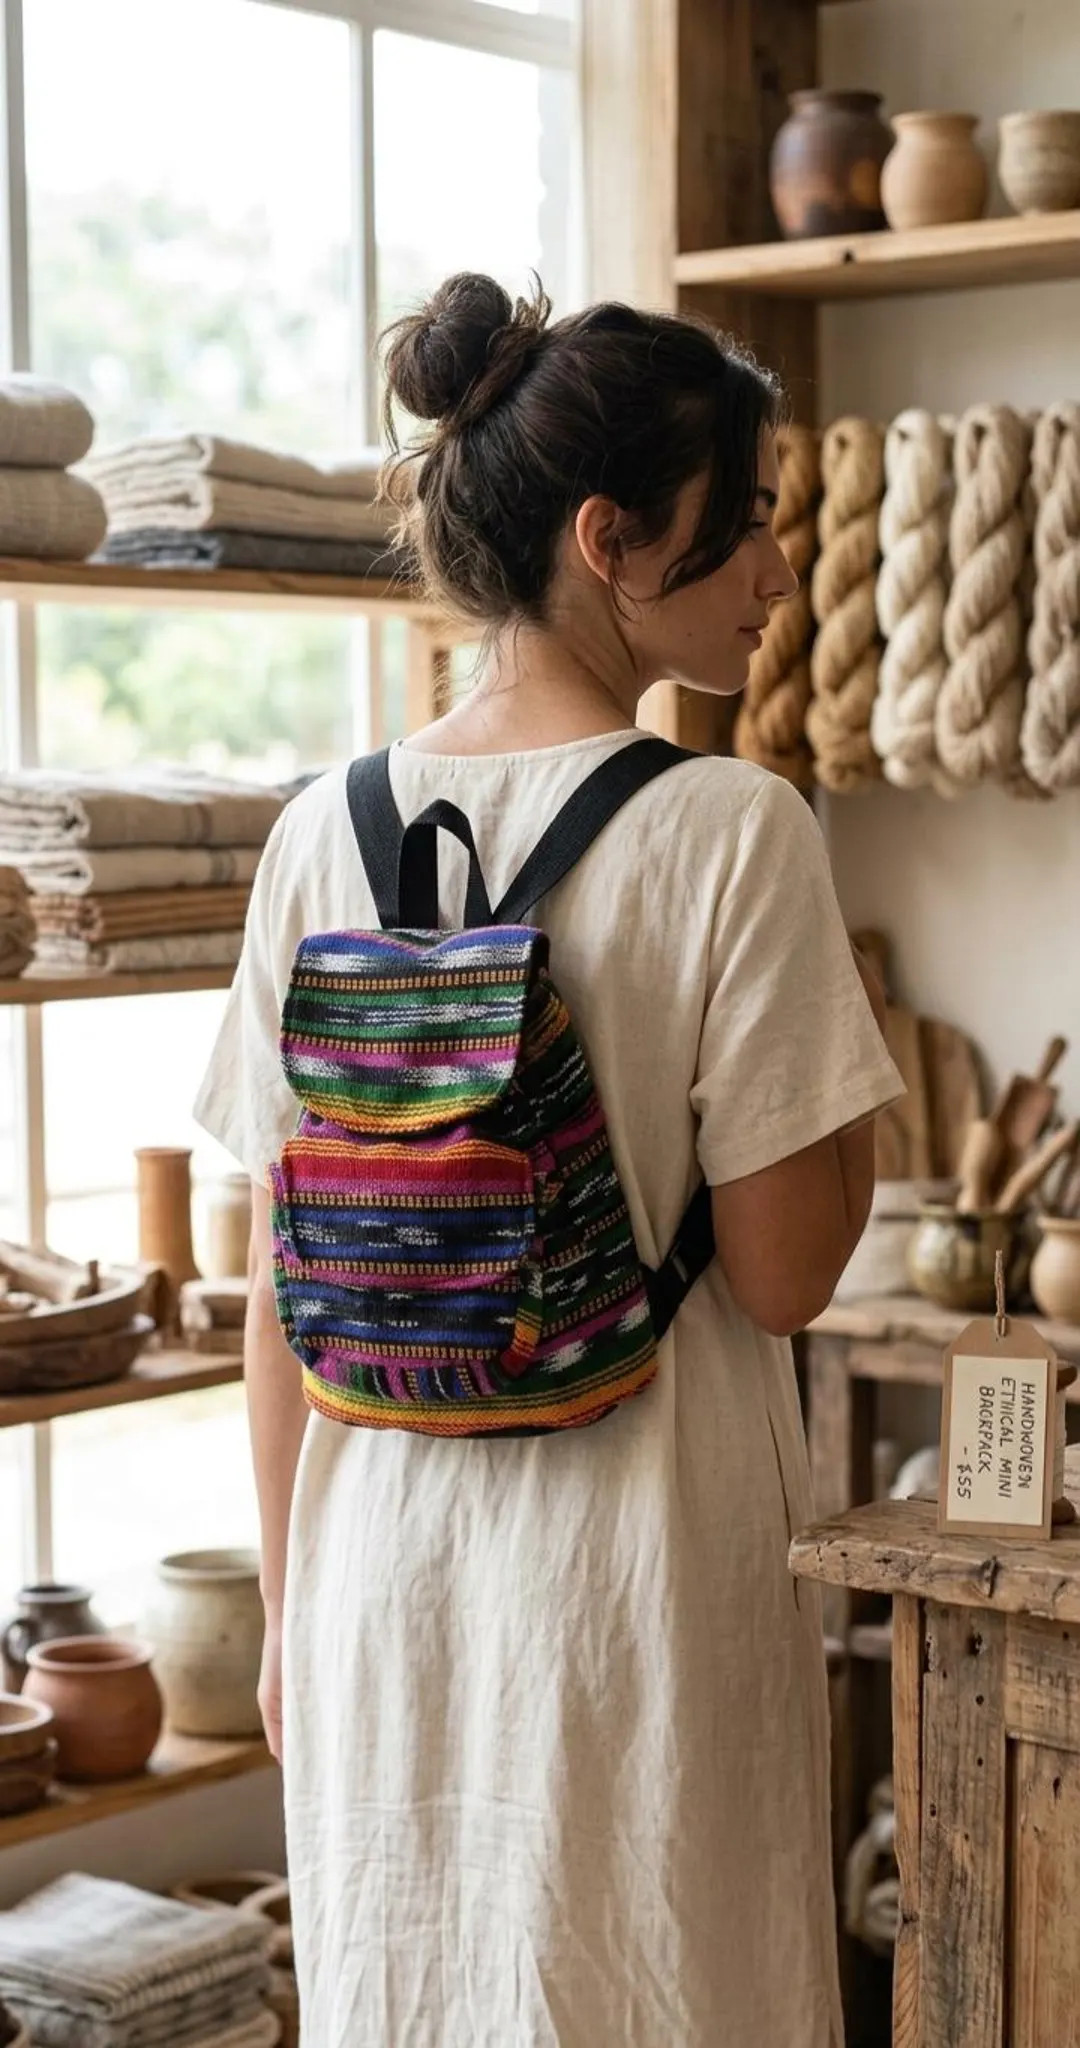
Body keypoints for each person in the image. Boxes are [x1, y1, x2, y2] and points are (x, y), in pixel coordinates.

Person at [194, 273, 901, 2048]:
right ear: (609, 538)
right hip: (632, 1600)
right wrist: (854, 1052)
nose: (777, 570)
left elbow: (283, 1284)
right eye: (741, 525)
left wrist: (289, 1617)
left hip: (376, 1585)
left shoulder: (315, 835)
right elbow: (787, 1274)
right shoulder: (733, 826)